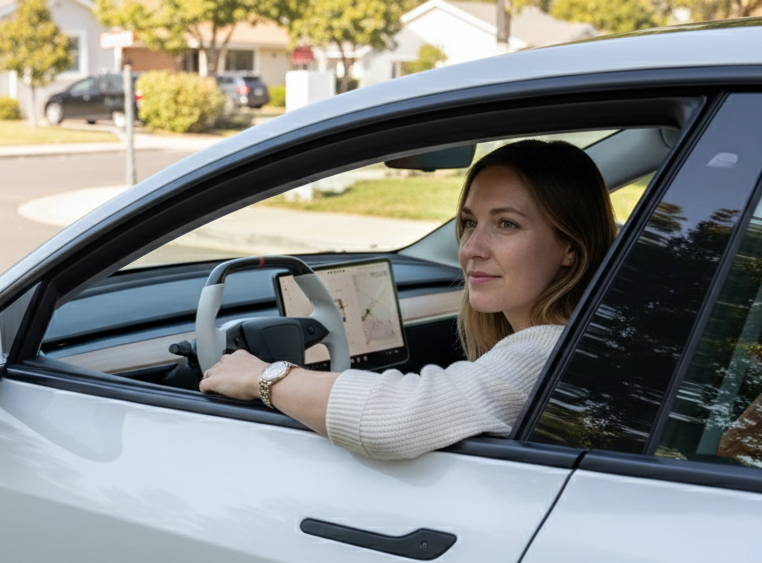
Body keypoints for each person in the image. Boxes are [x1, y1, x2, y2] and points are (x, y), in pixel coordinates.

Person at [199, 139, 617, 459]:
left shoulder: (549, 348)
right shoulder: (592, 335)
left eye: (506, 224)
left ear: (571, 249)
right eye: (469, 222)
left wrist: (263, 377)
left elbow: (396, 419)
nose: (472, 247)